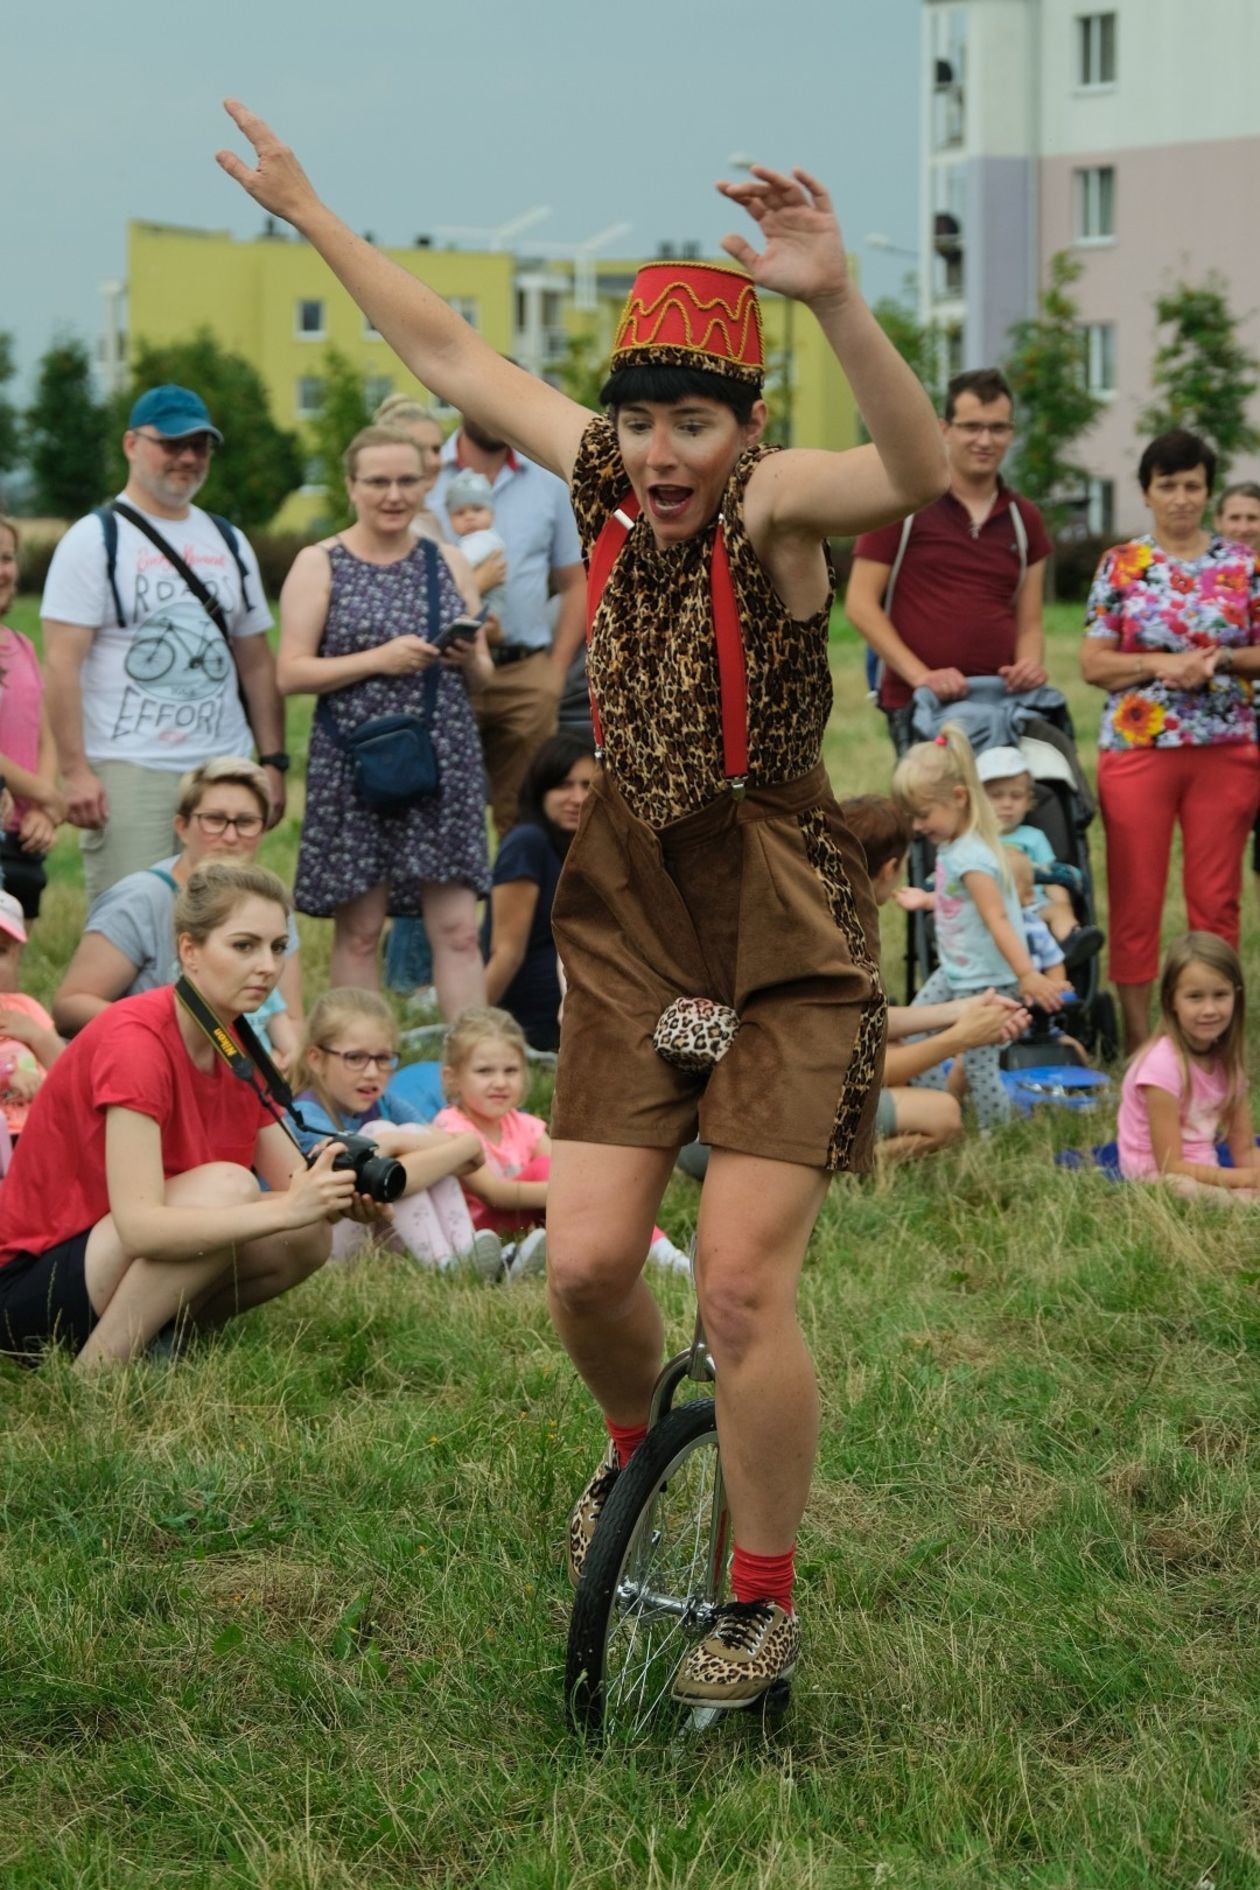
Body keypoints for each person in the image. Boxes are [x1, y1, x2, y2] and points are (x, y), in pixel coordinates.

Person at [218, 105, 946, 1708]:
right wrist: (311, 210)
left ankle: (761, 1596)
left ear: (744, 431)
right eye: (648, 421)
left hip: (779, 924)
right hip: (632, 913)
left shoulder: (776, 512)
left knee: (745, 1282)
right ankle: (632, 1453)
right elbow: (454, 352)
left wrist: (832, 298)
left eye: (699, 421)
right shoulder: (607, 477)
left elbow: (912, 466)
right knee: (585, 1266)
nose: (669, 451)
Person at [0, 862, 372, 1368]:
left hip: (106, 1264)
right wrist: (286, 1207)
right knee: (230, 1189)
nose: (267, 966)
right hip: (28, 1287)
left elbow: (293, 1180)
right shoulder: (137, 1040)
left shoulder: (233, 1040)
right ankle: (99, 1371)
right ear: (189, 951)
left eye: (277, 947)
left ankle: (161, 1337)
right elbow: (139, 1228)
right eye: (244, 946)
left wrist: (340, 1194)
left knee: (308, 1236)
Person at [40, 386, 289, 903]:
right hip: (131, 766)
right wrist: (76, 772)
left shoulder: (227, 539)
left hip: (224, 762)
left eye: (200, 446)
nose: (188, 458)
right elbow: (61, 666)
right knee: (131, 915)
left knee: (222, 920)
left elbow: (257, 662)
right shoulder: (94, 540)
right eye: (172, 444)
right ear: (132, 444)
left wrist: (272, 761)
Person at [278, 423, 492, 1005]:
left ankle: (474, 1073)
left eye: (406, 480)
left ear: (426, 484)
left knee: (457, 929)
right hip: (357, 761)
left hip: (442, 757)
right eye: (377, 482)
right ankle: (356, 1069)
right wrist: (382, 659)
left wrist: (469, 655)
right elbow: (290, 672)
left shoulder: (447, 560)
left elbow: (485, 677)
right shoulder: (320, 563)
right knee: (361, 932)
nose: (393, 494)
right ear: (351, 487)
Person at [1081, 430, 1260, 1054]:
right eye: (1168, 486)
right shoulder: (1121, 564)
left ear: (1208, 493)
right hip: (1138, 753)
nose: (1181, 499)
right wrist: (1159, 666)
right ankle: (1140, 1045)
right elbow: (1093, 663)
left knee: (1217, 901)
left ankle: (1214, 1045)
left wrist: (1222, 659)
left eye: (1192, 486)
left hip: (1225, 748)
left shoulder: (1244, 564)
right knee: (1136, 898)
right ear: (1146, 493)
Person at [846, 368, 1052, 744]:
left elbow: (1030, 622)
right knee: (934, 804)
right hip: (919, 703)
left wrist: (1029, 665)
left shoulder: (1026, 520)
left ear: (1012, 433)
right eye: (971, 426)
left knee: (1003, 804)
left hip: (999, 704)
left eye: (998, 428)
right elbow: (860, 604)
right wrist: (921, 675)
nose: (985, 440)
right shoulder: (903, 503)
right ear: (945, 430)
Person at [52, 756, 302, 1064]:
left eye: (246, 822)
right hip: (152, 1064)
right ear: (182, 827)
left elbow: (291, 1018)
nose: (230, 836)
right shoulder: (141, 899)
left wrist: (280, 1069)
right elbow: (69, 1007)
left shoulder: (266, 902)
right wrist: (171, 1031)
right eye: (214, 819)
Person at [839, 794, 1030, 1158]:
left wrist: (959, 1010)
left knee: (897, 1051)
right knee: (944, 1115)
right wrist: (960, 1037)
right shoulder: (843, 941)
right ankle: (822, 1168)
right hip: (762, 1126)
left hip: (721, 1109)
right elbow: (865, 1066)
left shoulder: (823, 911)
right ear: (889, 869)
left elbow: (859, 1022)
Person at [892, 726, 1062, 1128]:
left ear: (958, 798)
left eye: (922, 815)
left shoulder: (970, 855)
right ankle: (940, 1105)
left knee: (980, 1064)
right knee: (915, 1033)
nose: (917, 827)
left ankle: (994, 1134)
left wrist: (1026, 975)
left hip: (985, 978)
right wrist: (929, 900)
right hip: (957, 969)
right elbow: (963, 903)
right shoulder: (955, 846)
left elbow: (998, 918)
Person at [433, 1006, 687, 1272]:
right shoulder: (451, 1126)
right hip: (479, 1231)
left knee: (573, 1177)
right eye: (484, 1071)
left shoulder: (522, 1124)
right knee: (557, 1175)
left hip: (527, 1219)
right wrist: (575, 1194)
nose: (500, 1082)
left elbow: (569, 1172)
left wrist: (586, 1190)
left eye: (510, 1070)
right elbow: (493, 1194)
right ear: (452, 1078)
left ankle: (654, 1253)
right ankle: (659, 1255)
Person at [430, 411, 585, 836]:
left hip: (525, 674)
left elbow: (577, 583)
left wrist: (553, 672)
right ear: (462, 401)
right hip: (445, 670)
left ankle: (519, 904)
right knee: (439, 815)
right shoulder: (424, 474)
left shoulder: (548, 482)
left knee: (526, 819)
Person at [290, 987, 505, 1276]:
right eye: (355, 1058)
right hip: (317, 1248)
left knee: (408, 1136)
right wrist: (464, 1145)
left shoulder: (385, 1103)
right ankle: (446, 1266)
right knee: (388, 1140)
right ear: (316, 1059)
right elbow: (363, 1185)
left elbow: (472, 1160)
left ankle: (468, 1255)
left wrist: (397, 1141)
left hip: (372, 1231)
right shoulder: (305, 1115)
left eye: (383, 1059)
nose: (371, 1072)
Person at [1116, 932, 1259, 1194]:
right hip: (1159, 1177)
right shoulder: (1162, 1066)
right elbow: (1170, 1165)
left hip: (1206, 1171)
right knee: (1181, 1187)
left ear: (1236, 996)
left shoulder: (1227, 1062)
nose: (1209, 1009)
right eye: (1195, 997)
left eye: (1220, 995)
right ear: (1172, 1000)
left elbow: (1245, 1148)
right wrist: (1242, 1179)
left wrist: (1250, 1174)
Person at [483, 730, 596, 1051]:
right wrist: (471, 1031)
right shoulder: (527, 843)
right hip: (532, 1020)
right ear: (541, 791)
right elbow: (506, 952)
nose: (577, 797)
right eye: (563, 785)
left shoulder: (587, 850)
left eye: (587, 786)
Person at [0, 515, 63, 919]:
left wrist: (44, 810)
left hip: (26, 834)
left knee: (9, 968)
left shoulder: (21, 645)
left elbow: (45, 731)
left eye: (6, 557)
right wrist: (50, 797)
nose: (2, 571)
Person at [0, 890, 63, 1152]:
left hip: (39, 1131)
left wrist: (37, 1036)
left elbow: (68, 1068)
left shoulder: (25, 1008)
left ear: (17, 958)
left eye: (0, 951)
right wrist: (7, 1077)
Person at [444, 468, 509, 620]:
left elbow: (462, 563)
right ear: (450, 520)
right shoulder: (468, 540)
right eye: (460, 513)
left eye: (477, 509)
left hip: (488, 604)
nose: (469, 517)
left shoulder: (484, 538)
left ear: (492, 514)